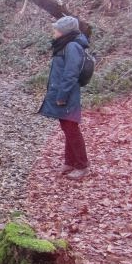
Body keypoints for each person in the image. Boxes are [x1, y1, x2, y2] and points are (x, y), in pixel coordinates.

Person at [39, 15, 90, 179]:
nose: (54, 32)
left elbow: (71, 74)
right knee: (67, 128)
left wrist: (62, 96)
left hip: (67, 95)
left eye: (56, 29)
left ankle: (82, 165)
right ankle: (70, 161)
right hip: (64, 93)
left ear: (65, 31)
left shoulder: (72, 46)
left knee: (71, 129)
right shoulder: (65, 45)